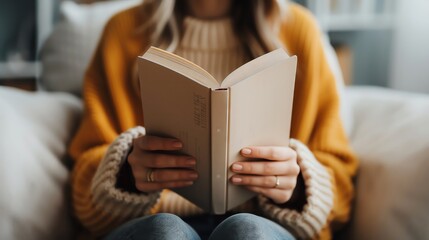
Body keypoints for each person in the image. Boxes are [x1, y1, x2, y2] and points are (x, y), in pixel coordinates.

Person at [69, 0, 358, 239]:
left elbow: (341, 185)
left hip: (263, 223)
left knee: (247, 232)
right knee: (164, 232)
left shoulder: (299, 31)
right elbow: (82, 186)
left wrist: (297, 188)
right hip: (151, 221)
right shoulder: (123, 33)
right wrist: (126, 175)